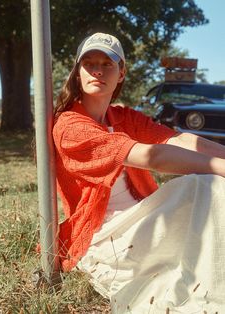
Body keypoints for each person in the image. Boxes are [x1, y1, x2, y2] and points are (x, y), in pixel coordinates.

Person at [53, 32, 225, 313]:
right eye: (89, 63)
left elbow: (180, 140)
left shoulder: (122, 117)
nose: (97, 70)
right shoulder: (71, 127)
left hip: (144, 216)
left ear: (121, 73)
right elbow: (152, 155)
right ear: (77, 72)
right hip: (106, 236)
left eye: (107, 64)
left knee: (213, 190)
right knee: (206, 186)